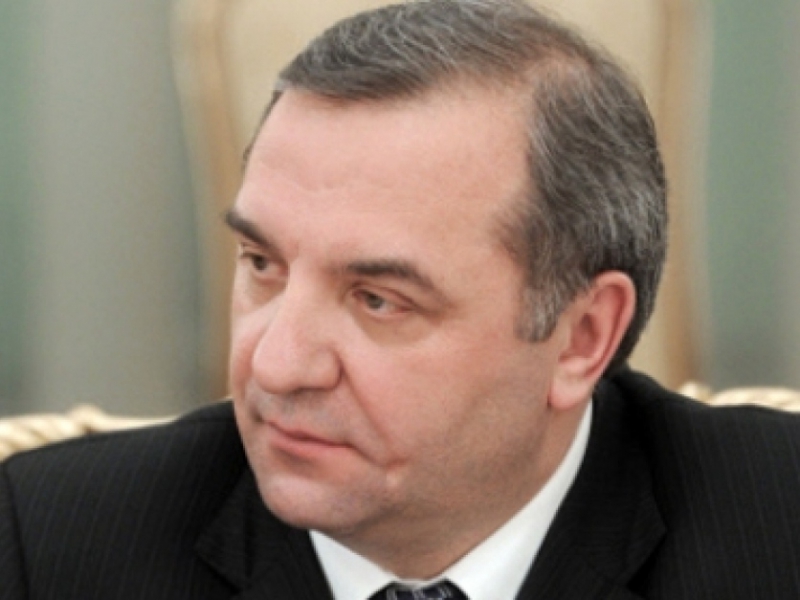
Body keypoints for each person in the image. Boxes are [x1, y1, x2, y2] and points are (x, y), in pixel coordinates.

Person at [2, 1, 800, 598]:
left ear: (582, 337)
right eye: (263, 263)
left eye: (378, 300)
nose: (276, 366)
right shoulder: (50, 544)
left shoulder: (776, 531)